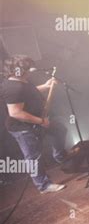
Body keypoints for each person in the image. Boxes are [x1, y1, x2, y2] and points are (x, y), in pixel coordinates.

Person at [0, 55, 68, 193]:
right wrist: (41, 121)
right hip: (22, 128)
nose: (30, 71)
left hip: (36, 120)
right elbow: (15, 113)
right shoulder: (13, 88)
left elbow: (28, 92)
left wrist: (46, 86)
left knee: (60, 130)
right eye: (27, 68)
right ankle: (43, 185)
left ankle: (60, 157)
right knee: (33, 156)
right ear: (19, 70)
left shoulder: (21, 81)